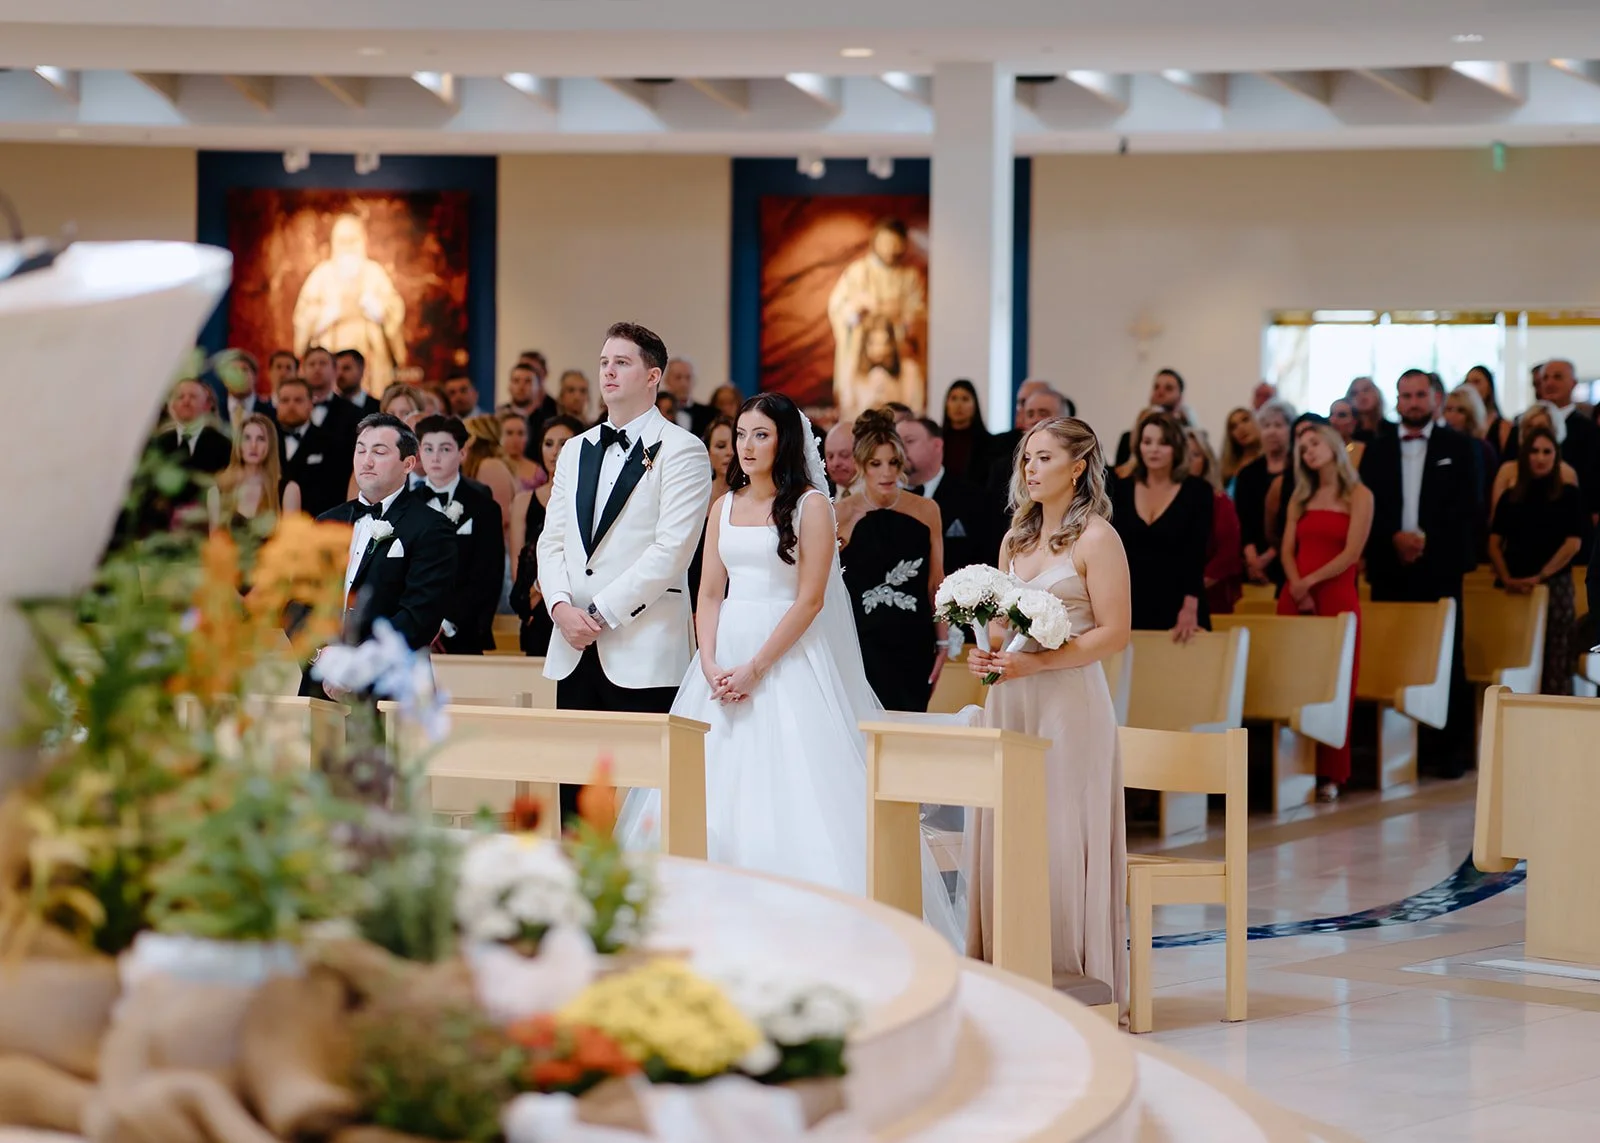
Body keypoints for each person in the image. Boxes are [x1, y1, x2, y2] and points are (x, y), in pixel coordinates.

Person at [613, 392, 962, 945]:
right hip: (721, 660)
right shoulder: (722, 506)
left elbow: (810, 599)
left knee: (798, 782)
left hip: (786, 656)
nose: (747, 447)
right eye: (741, 435)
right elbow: (709, 593)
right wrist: (710, 660)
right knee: (708, 782)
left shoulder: (810, 506)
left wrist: (756, 667)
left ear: (785, 441)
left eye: (761, 435)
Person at [964, 416, 1130, 1007]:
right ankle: (1006, 962)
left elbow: (1114, 632)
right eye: (1027, 458)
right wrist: (985, 648)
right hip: (1011, 695)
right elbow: (1003, 625)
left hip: (1066, 702)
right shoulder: (1015, 538)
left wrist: (1038, 664)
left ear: (1077, 467)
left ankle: (1070, 976)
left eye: (1044, 458)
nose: (1030, 469)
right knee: (1009, 824)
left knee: (1059, 830)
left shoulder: (1097, 539)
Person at [537, 322, 714, 822]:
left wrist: (599, 613)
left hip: (643, 645)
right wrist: (560, 608)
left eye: (622, 362)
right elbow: (552, 540)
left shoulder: (683, 449)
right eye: (604, 362)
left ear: (653, 376)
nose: (608, 371)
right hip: (573, 644)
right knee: (577, 804)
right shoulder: (575, 449)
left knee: (645, 806)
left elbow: (672, 551)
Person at [1359, 369, 1479, 778]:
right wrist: (1393, 539)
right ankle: (1395, 754)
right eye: (1405, 396)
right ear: (1397, 401)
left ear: (1435, 399)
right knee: (1393, 655)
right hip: (1390, 568)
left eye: (1419, 395)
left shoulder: (1459, 447)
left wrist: (1424, 540)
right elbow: (1368, 506)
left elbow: (1468, 508)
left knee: (1446, 657)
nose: (1412, 403)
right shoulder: (1377, 450)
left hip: (1439, 567)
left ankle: (1450, 751)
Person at [299, 413, 456, 699]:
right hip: (320, 685)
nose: (366, 461)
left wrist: (357, 665)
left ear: (408, 463)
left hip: (390, 690)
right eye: (360, 450)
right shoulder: (326, 523)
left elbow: (418, 617)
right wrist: (322, 656)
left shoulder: (432, 528)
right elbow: (297, 601)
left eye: (379, 452)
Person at [1276, 420, 1373, 802]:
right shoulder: (1301, 497)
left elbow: (1351, 553)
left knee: (1335, 683)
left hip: (1335, 597)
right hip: (1296, 596)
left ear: (1333, 445)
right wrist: (1297, 585)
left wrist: (1310, 582)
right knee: (1295, 681)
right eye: (1303, 448)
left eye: (1314, 443)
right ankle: (1293, 770)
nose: (1308, 452)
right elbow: (1287, 549)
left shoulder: (1359, 495)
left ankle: (1331, 774)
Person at [835, 410, 947, 712]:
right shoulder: (840, 514)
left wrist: (943, 644)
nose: (886, 472)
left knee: (910, 725)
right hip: (860, 646)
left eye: (893, 463)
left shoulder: (927, 510)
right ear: (861, 465)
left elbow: (935, 584)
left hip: (914, 644)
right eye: (876, 463)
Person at [1489, 425, 1589, 696]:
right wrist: (1507, 577)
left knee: (1556, 659)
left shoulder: (1569, 494)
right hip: (1514, 586)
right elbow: (1494, 543)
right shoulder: (1510, 496)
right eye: (1534, 451)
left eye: (1547, 451)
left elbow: (1573, 544)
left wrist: (1541, 576)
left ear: (1556, 456)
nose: (1540, 457)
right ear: (1525, 455)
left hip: (1554, 585)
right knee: (1514, 656)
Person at [1111, 409, 1212, 640]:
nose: (1154, 449)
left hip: (1180, 601)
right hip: (1131, 601)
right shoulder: (1121, 489)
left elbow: (1196, 554)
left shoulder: (1198, 491)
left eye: (1163, 443)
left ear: (1177, 447)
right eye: (1147, 442)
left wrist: (1190, 606)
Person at [412, 416, 506, 656]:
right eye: (428, 449)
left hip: (464, 631)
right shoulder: (406, 506)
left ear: (462, 453)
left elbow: (488, 574)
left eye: (445, 449)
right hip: (412, 631)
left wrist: (445, 622)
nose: (435, 457)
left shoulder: (484, 507)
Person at [291, 214, 406, 397]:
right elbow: (303, 316)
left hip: (369, 352)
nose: (348, 247)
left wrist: (378, 310)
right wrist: (325, 316)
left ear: (362, 241)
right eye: (342, 241)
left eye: (352, 240)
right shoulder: (322, 274)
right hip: (331, 342)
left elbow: (393, 309)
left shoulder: (374, 272)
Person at [827, 218, 927, 420]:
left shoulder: (910, 277)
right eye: (886, 242)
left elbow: (919, 314)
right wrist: (857, 310)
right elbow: (838, 307)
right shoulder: (858, 272)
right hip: (863, 352)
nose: (891, 249)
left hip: (896, 353)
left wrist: (904, 318)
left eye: (896, 243)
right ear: (876, 242)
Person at [510, 415, 584, 656]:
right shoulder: (523, 501)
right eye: (548, 443)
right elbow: (518, 570)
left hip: (579, 608)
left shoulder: (589, 499)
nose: (555, 452)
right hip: (535, 607)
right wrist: (536, 593)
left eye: (564, 443)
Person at [899, 415, 987, 576]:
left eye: (909, 441)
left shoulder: (973, 498)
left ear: (937, 445)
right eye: (896, 443)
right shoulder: (885, 500)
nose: (900, 449)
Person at [1234, 399, 1294, 588]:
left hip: (1289, 561)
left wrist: (1267, 557)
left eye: (1278, 425)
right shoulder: (1247, 474)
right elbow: (1241, 521)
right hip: (1250, 563)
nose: (1272, 431)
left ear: (1290, 430)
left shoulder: (1298, 473)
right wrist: (1252, 559)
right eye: (1266, 426)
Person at [210, 413, 299, 532]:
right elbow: (215, 540)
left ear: (270, 445)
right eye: (247, 438)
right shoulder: (219, 489)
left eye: (261, 439)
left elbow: (291, 540)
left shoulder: (288, 490)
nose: (253, 445)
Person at [1188, 429, 1243, 617]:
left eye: (1195, 455)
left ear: (1205, 460)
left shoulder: (1220, 502)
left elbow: (1228, 553)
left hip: (1211, 595)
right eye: (1184, 454)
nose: (1188, 461)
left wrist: (1192, 589)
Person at [1490, 404, 1579, 521]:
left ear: (1554, 431)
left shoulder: (1566, 473)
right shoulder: (1507, 471)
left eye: (1541, 427)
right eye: (1529, 427)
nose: (1534, 433)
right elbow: (1495, 519)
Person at [274, 377, 346, 518]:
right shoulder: (265, 441)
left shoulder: (331, 442)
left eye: (298, 400)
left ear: (311, 404)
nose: (291, 406)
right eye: (285, 400)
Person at [687, 415, 736, 607]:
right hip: (693, 597)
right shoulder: (695, 496)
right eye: (721, 446)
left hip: (733, 598)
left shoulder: (750, 498)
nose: (729, 452)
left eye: (734, 444)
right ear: (708, 452)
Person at [1114, 368, 1186, 468]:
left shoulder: (1187, 439)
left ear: (1180, 397)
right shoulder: (1128, 439)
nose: (1160, 392)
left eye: (1168, 388)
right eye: (1156, 387)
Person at [940, 378, 993, 483]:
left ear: (975, 405)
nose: (958, 405)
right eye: (953, 398)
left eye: (965, 399)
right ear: (946, 404)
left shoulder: (988, 443)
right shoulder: (937, 440)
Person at [1465, 364, 1515, 459]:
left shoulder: (1503, 426)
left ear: (1489, 388)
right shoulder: (1462, 423)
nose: (1470, 387)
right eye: (1467, 382)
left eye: (1476, 382)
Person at [663, 356, 717, 438]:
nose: (683, 384)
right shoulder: (656, 412)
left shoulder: (710, 414)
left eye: (688, 377)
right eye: (678, 377)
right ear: (666, 380)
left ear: (694, 381)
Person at [498, 411, 545, 495]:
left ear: (527, 437)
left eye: (520, 433)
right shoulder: (491, 468)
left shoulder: (539, 472)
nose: (515, 439)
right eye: (509, 433)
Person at [1220, 406, 1262, 487]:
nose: (1241, 429)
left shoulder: (1270, 460)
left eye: (1245, 420)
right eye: (1234, 427)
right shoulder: (1228, 469)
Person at [1346, 375, 1390, 443]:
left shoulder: (1394, 430)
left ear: (1376, 393)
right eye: (1354, 393)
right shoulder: (1347, 433)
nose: (1361, 396)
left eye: (1366, 390)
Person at [1328, 398, 1365, 470]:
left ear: (1354, 422)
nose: (1333, 420)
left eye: (1341, 415)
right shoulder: (1320, 449)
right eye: (1331, 414)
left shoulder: (1363, 451)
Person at [823, 421, 858, 494]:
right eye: (830, 456)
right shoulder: (821, 493)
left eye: (844, 455)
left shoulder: (876, 495)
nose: (835, 463)